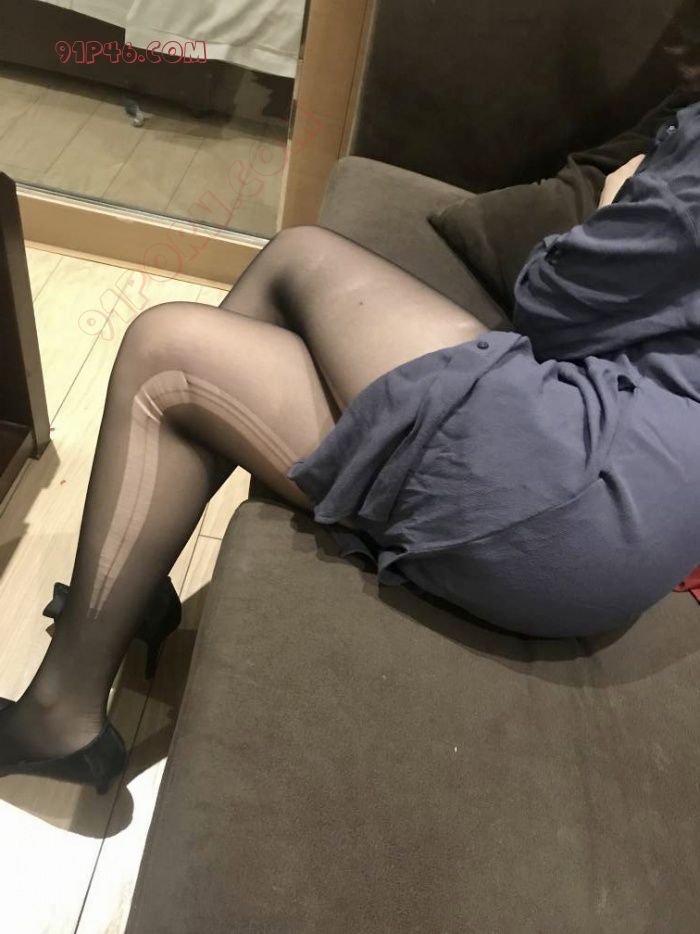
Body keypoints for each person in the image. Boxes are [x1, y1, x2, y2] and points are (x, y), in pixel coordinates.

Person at [2, 30, 700, 794]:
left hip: (591, 491)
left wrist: (612, 199)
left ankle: (61, 718)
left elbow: (552, 303)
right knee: (292, 258)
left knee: (162, 359)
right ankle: (131, 588)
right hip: (645, 485)